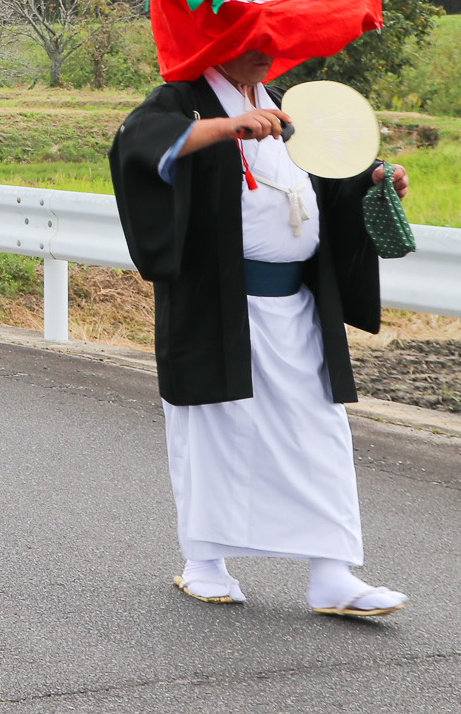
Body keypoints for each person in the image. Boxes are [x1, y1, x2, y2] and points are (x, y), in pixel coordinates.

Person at [113, 44, 410, 616]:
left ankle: (332, 575)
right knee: (215, 434)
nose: (262, 56)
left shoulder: (283, 105)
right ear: (215, 41)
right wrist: (226, 128)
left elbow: (328, 187)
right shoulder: (182, 98)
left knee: (320, 436)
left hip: (298, 305)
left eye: (270, 46)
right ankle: (204, 563)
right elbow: (138, 147)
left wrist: (373, 182)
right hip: (219, 302)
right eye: (247, 45)